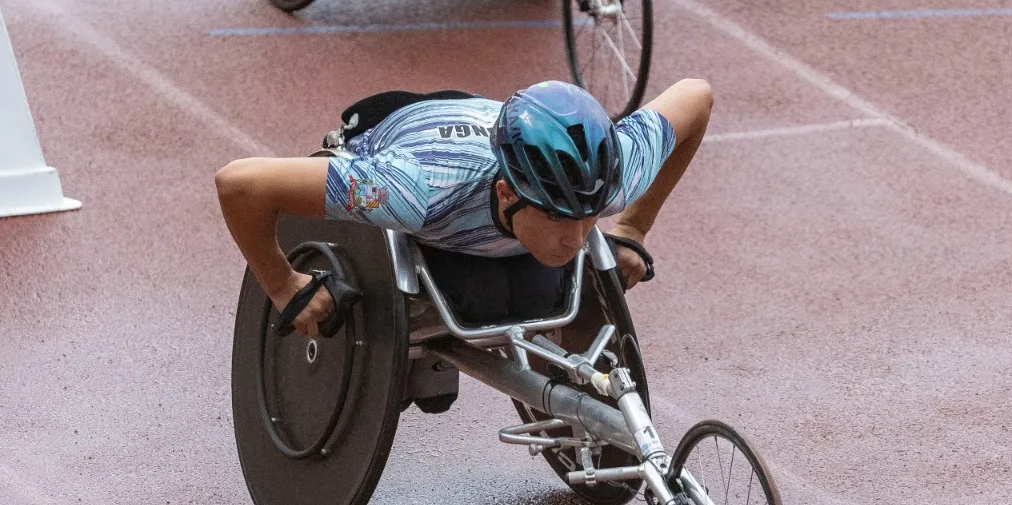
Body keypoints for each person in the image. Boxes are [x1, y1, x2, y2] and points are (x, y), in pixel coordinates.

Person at [214, 78, 712, 338]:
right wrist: (282, 285)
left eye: (589, 217)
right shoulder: (410, 192)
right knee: (480, 295)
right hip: (398, 128)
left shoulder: (613, 178)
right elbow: (240, 183)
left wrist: (632, 226)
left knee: (544, 291)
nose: (578, 238)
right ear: (507, 194)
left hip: (494, 119)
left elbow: (696, 95)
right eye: (559, 219)